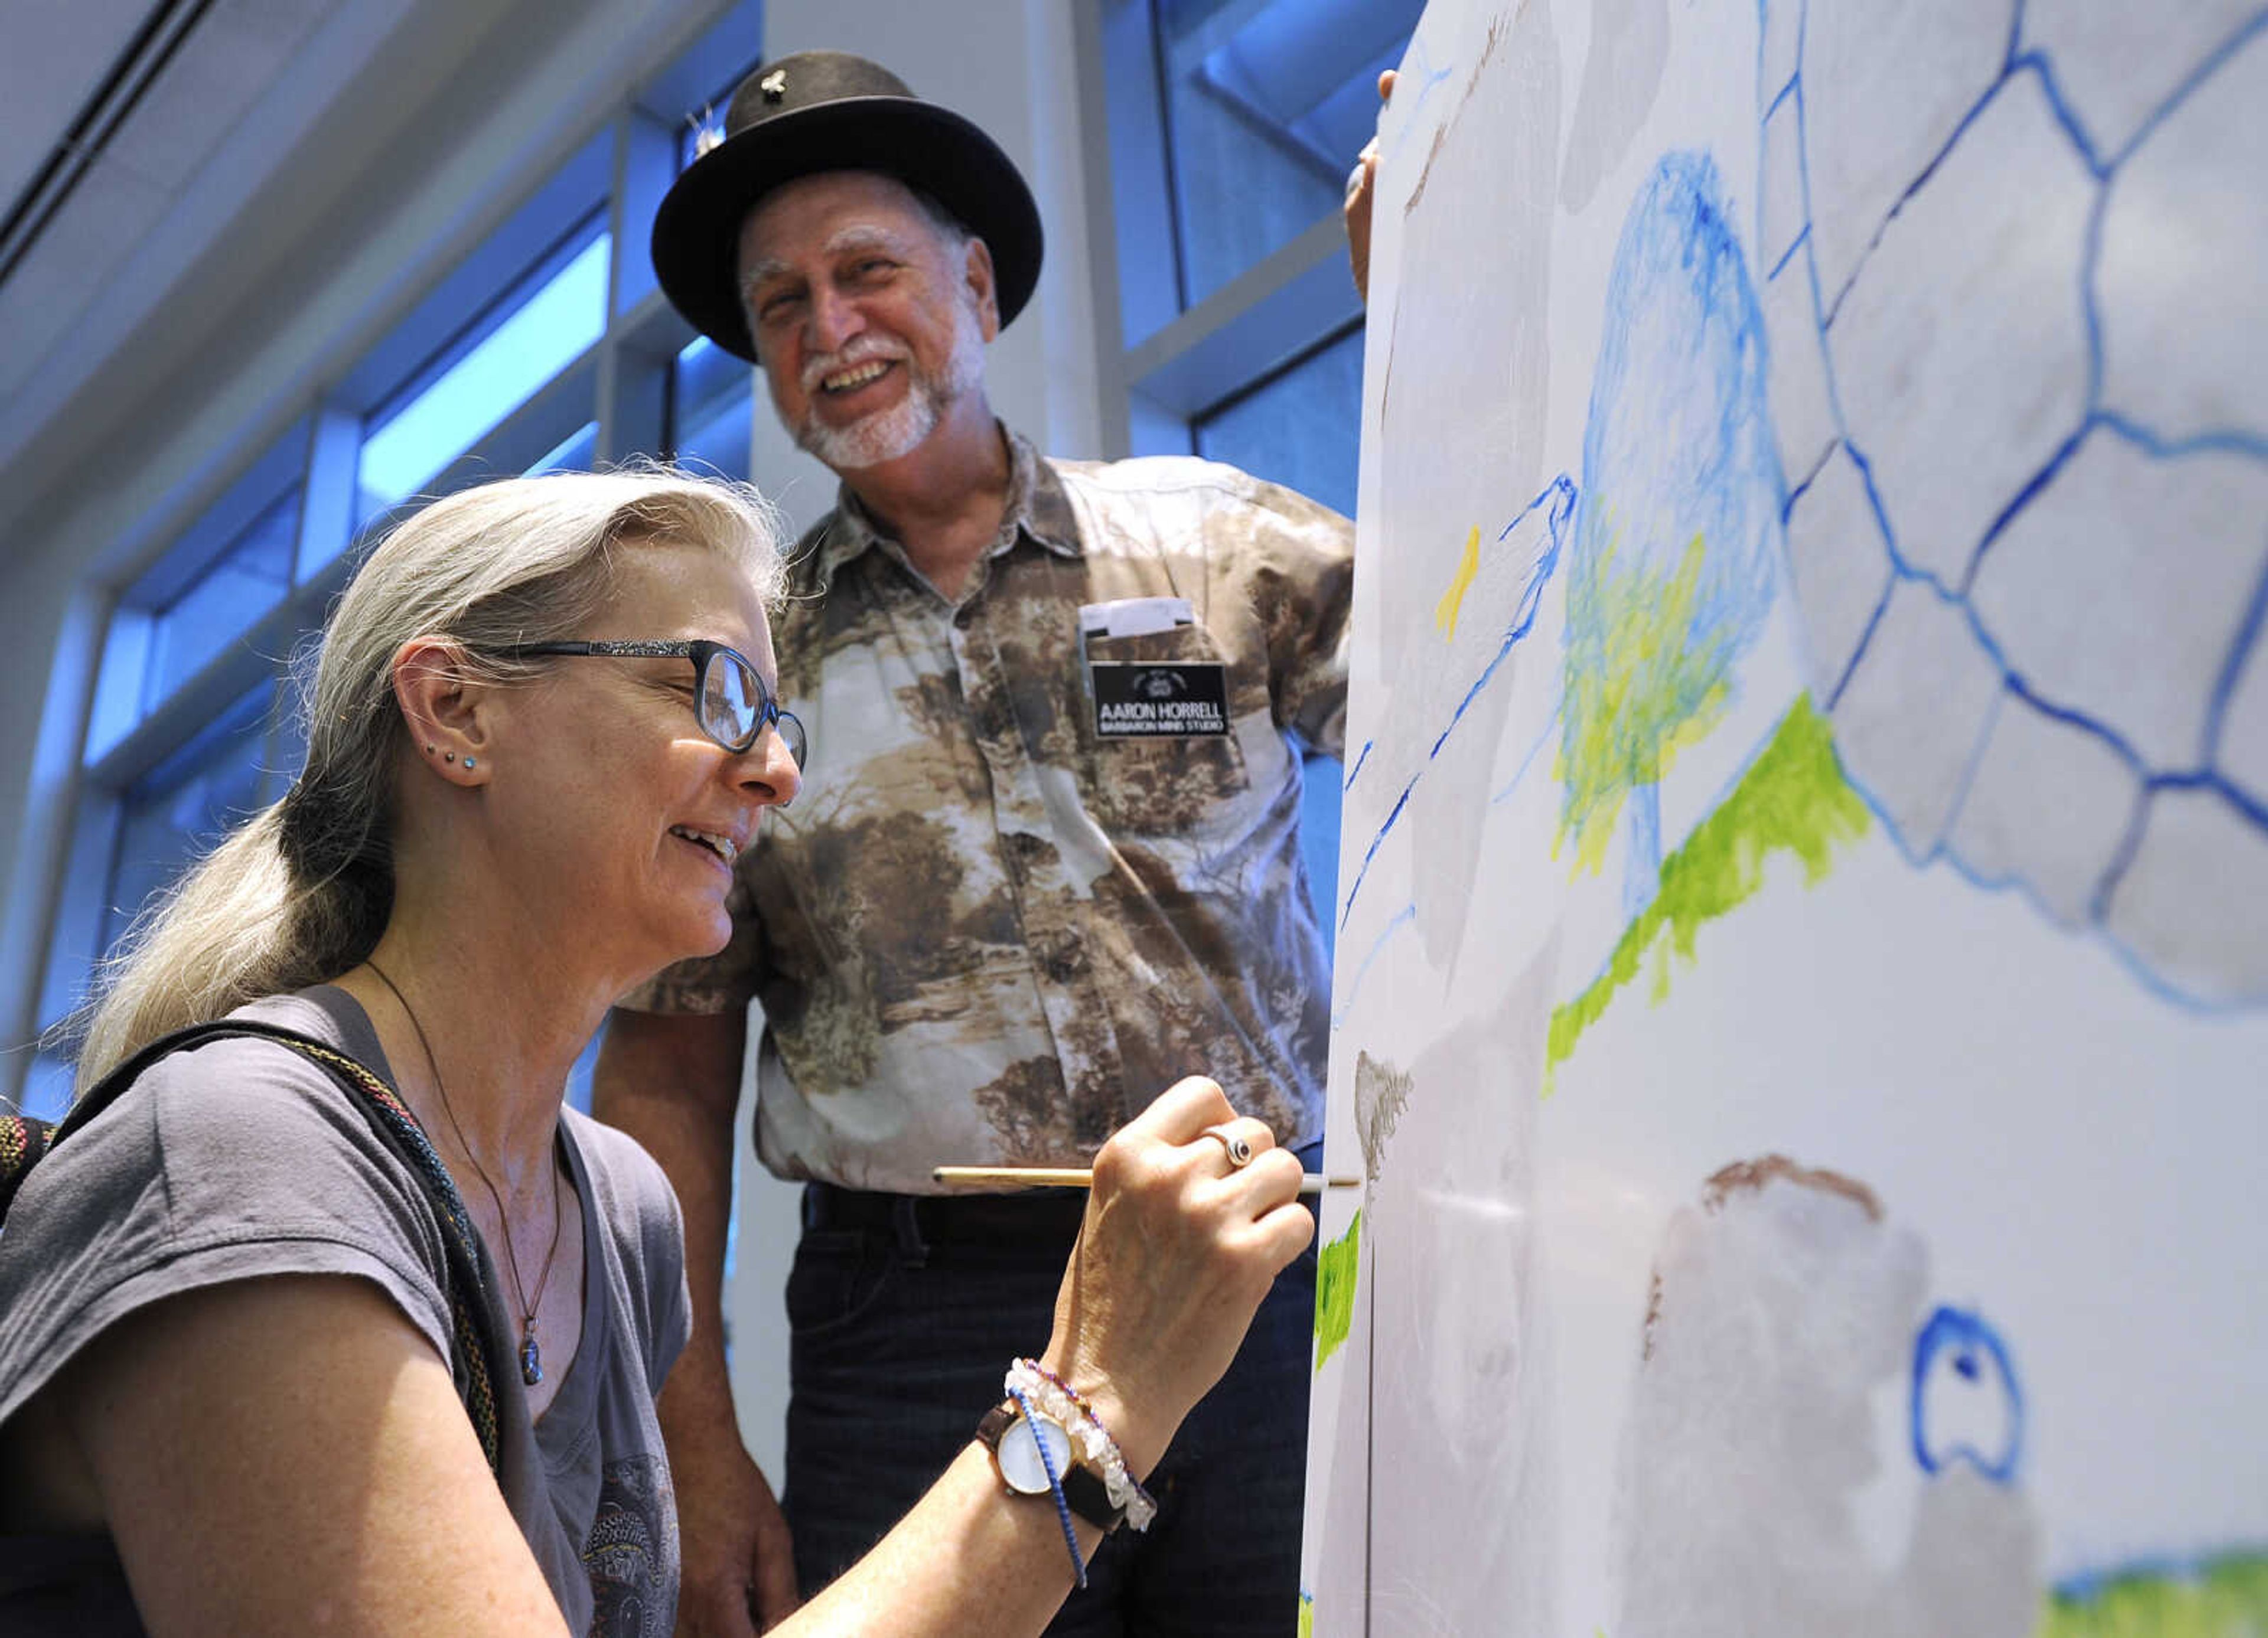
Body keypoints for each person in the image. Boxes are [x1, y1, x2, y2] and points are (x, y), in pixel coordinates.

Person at [0, 468, 1311, 1635]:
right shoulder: (246, 1147)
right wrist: (1089, 1403)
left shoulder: (618, 1211)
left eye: (779, 718)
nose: (778, 775)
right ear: (454, 709)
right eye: (715, 689)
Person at [604, 50, 1373, 1634]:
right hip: (915, 1323)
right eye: (780, 306)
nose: (829, 330)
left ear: (977, 286)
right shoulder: (738, 673)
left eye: (866, 272)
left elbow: (1487, 693)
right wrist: (691, 1430)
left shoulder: (1215, 541)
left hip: (1261, 1261)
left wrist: (1450, 327)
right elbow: (666, 1060)